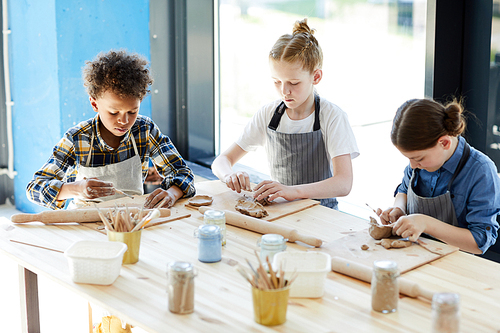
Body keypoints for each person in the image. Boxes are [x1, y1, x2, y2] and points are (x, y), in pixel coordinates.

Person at [211, 18, 359, 209]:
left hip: (323, 214)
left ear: (316, 76)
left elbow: (343, 183)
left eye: (294, 83)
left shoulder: (332, 116)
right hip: (280, 212)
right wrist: (229, 175)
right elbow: (221, 161)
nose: (284, 91)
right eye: (276, 81)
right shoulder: (269, 114)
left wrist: (293, 191)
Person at [27, 49, 195, 210]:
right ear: (94, 104)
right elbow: (34, 189)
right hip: (85, 222)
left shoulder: (145, 130)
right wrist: (76, 189)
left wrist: (172, 194)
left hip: (131, 219)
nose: (124, 120)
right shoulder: (77, 138)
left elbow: (182, 172)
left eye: (132, 111)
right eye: (114, 112)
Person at [377, 98, 500, 254]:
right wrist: (399, 209)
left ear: (444, 143)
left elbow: (479, 242)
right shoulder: (421, 162)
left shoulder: (481, 171)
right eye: (408, 159)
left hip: (457, 263)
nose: (413, 165)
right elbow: (403, 189)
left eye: (419, 159)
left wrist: (426, 223)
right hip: (415, 254)